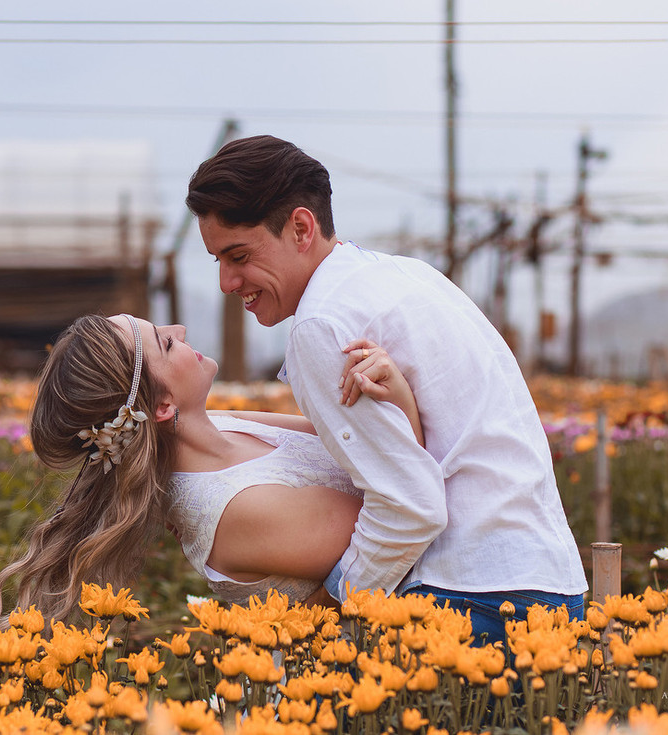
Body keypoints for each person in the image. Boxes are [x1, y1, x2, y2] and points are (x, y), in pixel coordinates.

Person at [186, 134, 587, 644]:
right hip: (548, 581)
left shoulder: (321, 324)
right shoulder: (402, 276)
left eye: (238, 256)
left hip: (467, 597)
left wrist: (329, 609)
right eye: (217, 260)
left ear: (301, 227)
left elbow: (411, 507)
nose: (226, 281)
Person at [0, 312, 423, 624]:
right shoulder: (234, 509)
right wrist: (400, 397)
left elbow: (361, 446)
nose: (180, 329)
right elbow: (406, 513)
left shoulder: (225, 426)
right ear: (163, 406)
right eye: (166, 342)